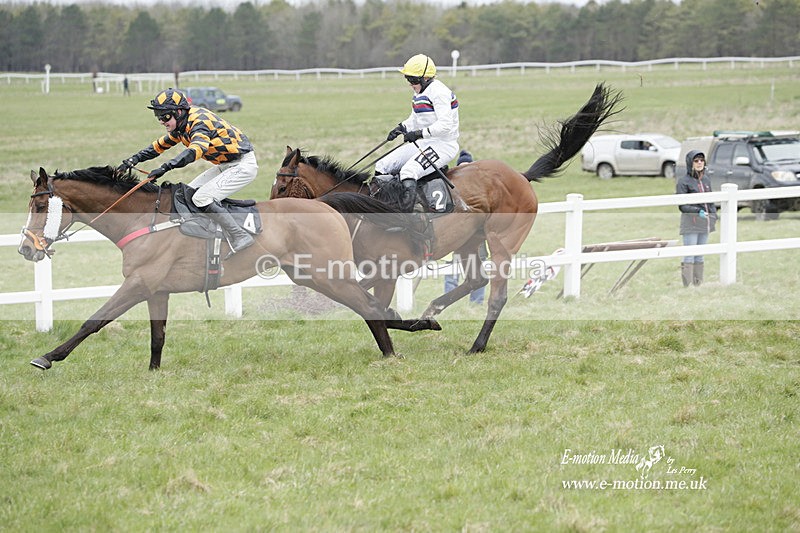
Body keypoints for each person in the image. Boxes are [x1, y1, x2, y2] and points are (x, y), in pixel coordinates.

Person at [117, 88, 257, 256]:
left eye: (165, 116)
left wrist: (165, 168)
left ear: (179, 111)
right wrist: (132, 160)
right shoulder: (181, 126)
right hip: (225, 165)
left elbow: (194, 152)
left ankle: (239, 235)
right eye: (159, 117)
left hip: (242, 165)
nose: (162, 121)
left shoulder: (199, 122)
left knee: (202, 198)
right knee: (188, 195)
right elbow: (157, 147)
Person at [376, 54, 459, 212]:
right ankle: (384, 207)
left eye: (413, 80)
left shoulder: (439, 92)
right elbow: (415, 118)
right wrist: (402, 127)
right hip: (425, 142)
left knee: (409, 171)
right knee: (383, 165)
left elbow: (445, 125)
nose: (410, 84)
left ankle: (407, 216)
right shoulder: (420, 92)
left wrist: (419, 134)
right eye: (408, 79)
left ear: (425, 78)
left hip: (443, 145)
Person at [444, 149, 485, 304]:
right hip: (455, 235)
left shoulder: (482, 188)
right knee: (451, 271)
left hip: (475, 237)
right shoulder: (451, 187)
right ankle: (450, 301)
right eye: (463, 167)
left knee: (477, 269)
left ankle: (476, 303)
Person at [676, 149, 717, 286]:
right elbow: (682, 206)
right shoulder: (683, 182)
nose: (699, 163)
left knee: (700, 254)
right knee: (690, 254)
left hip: (705, 223)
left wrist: (713, 214)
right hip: (691, 223)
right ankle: (687, 286)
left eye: (701, 160)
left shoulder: (706, 179)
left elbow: (711, 200)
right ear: (690, 163)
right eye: (696, 160)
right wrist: (697, 211)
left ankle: (698, 284)